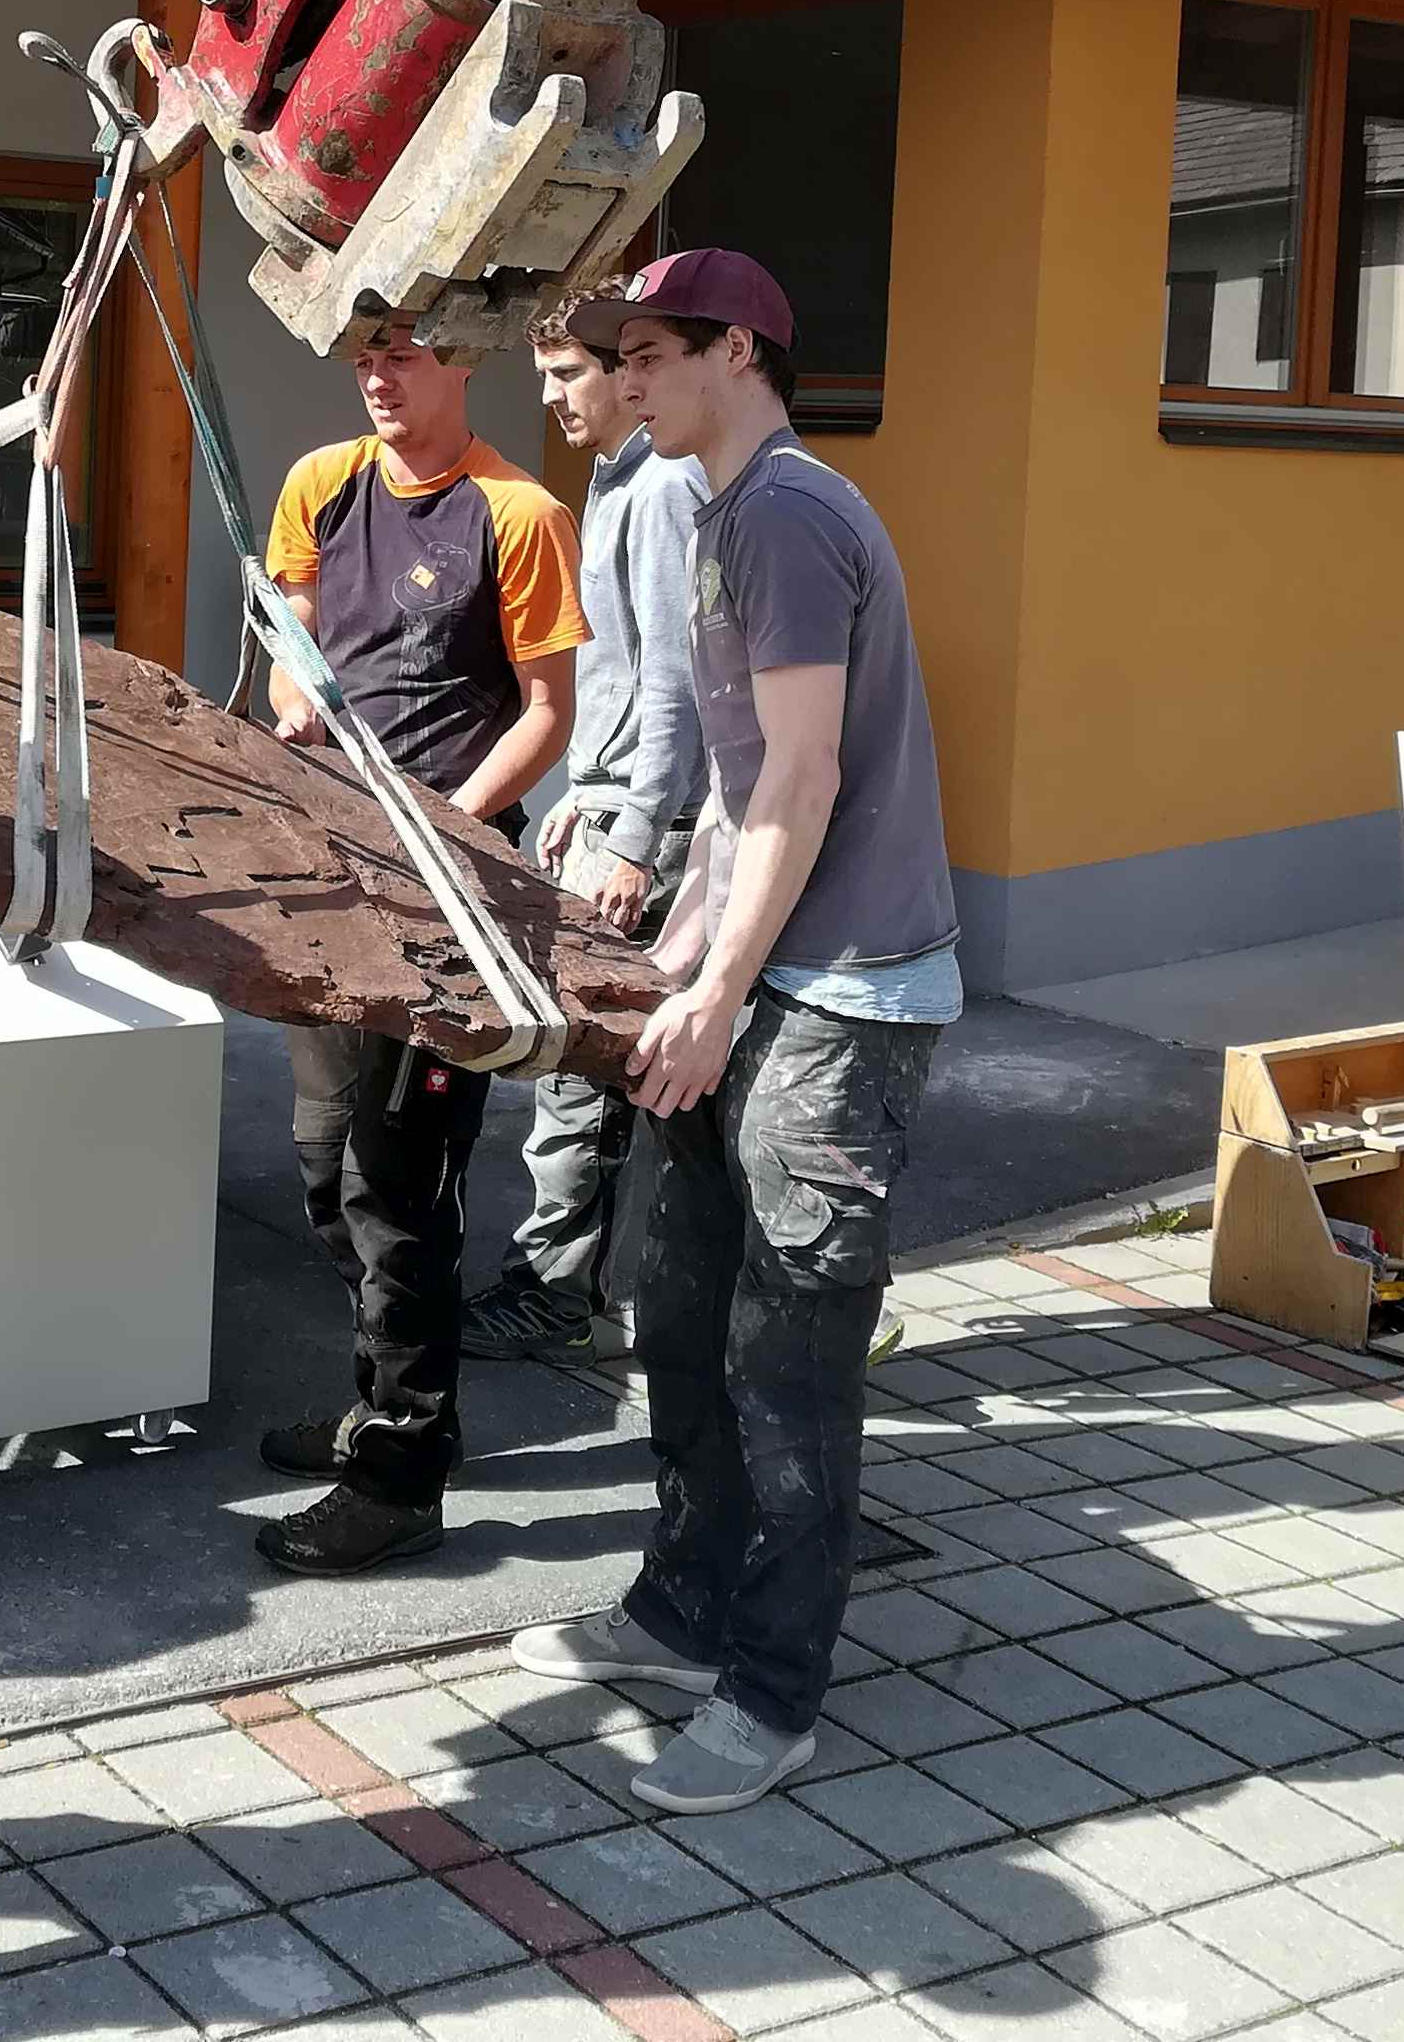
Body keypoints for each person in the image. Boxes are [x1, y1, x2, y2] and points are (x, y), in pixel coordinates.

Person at [509, 250, 960, 1817]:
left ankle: (775, 1693)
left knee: (787, 1360)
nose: (620, 383)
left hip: (841, 1001)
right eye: (614, 358)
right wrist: (677, 967)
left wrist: (712, 992)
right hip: (756, 976)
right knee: (682, 1319)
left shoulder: (780, 512)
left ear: (734, 350)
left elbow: (805, 780)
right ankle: (680, 1608)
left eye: (642, 354)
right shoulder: (712, 512)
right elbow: (723, 787)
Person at [255, 318, 586, 1574]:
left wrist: (443, 833)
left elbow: (548, 711)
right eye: (364, 361)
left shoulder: (517, 514)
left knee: (398, 1192)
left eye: (403, 355)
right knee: (323, 1163)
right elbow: (293, 637)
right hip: (324, 875)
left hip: (446, 900)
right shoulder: (319, 484)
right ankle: (378, 1395)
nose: (379, 379)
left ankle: (400, 1468)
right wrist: (295, 707)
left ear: (462, 364)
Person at [462, 306, 707, 1365]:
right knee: (618, 1072)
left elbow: (676, 686)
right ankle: (593, 1287)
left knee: (588, 1073)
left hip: (650, 829)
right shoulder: (612, 477)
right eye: (545, 375)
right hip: (612, 805)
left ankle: (556, 1293)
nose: (553, 397)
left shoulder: (655, 488)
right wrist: (583, 789)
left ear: (627, 376)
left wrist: (633, 833)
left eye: (570, 373)